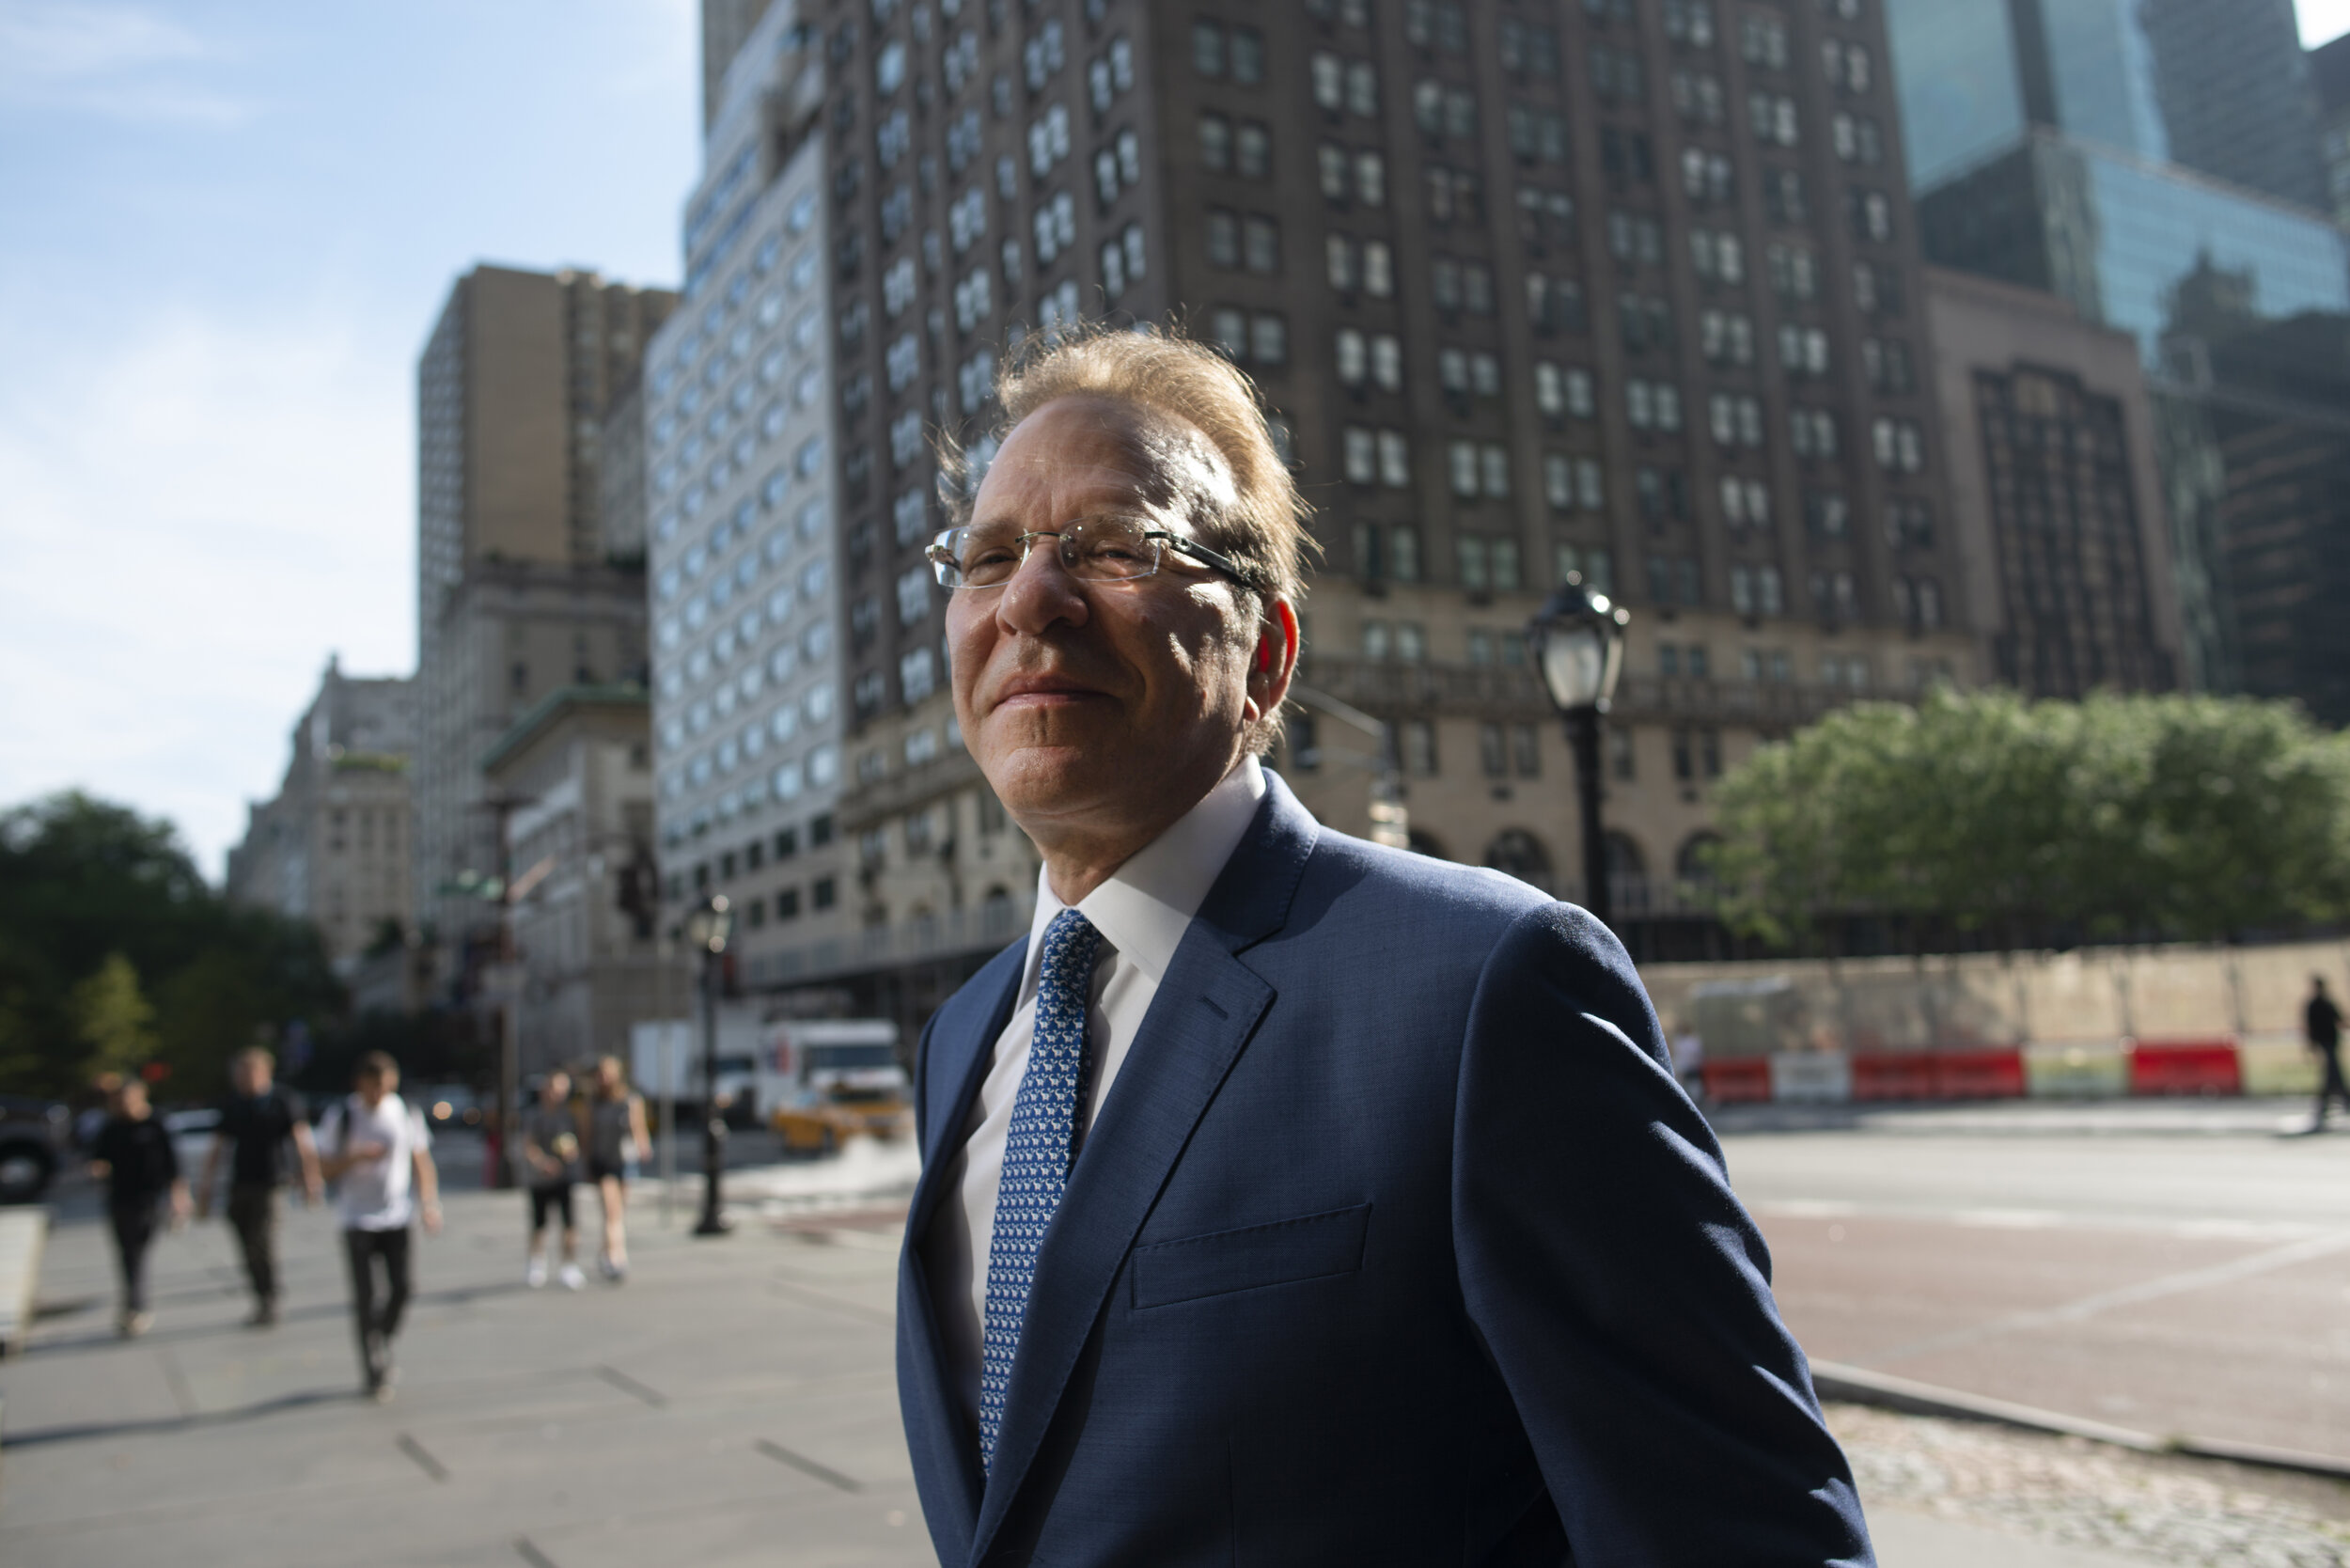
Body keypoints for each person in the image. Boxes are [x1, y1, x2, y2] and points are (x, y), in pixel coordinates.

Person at [892, 328, 1873, 1566]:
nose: (1031, 599)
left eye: (1116, 549)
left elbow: (1750, 1540)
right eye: (990, 557)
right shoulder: (961, 1043)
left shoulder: (1487, 991)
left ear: (1266, 656)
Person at [316, 1051, 439, 1399]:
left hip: (397, 1214)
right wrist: (355, 1157)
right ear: (361, 1084)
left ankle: (382, 1336)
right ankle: (373, 1368)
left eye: (386, 1088)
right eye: (374, 1088)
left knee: (402, 1288)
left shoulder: (404, 1112)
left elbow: (422, 1160)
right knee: (366, 1296)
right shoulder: (341, 1115)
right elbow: (324, 1169)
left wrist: (429, 1203)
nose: (379, 1096)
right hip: (355, 1217)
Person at [196, 1046, 322, 1325]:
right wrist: (206, 1185)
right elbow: (218, 1146)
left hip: (272, 1182)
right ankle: (261, 1292)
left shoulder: (282, 1100)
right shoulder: (233, 1104)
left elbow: (301, 1140)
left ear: (264, 1072)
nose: (242, 1079)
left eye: (247, 1072)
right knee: (245, 1240)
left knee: (262, 1240)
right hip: (241, 1182)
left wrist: (310, 1178)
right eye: (239, 1073)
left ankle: (269, 1297)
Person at [87, 1076, 189, 1338]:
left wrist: (179, 1199)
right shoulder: (111, 1127)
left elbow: (174, 1165)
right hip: (120, 1198)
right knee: (128, 1253)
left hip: (150, 1199)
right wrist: (97, 1170)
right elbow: (97, 1159)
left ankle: (135, 1306)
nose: (124, 1105)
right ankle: (134, 1306)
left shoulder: (157, 1124)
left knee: (137, 1251)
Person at [517, 1071, 585, 1290]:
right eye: (554, 1089)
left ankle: (569, 1265)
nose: (558, 1094)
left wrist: (573, 1153)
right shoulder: (534, 1115)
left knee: (569, 1224)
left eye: (562, 1090)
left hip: (565, 1176)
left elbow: (581, 1140)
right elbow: (528, 1145)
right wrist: (542, 1163)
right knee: (539, 1224)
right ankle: (536, 1263)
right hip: (540, 1178)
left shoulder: (570, 1114)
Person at [583, 1056, 650, 1281]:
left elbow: (639, 1128)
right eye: (600, 1074)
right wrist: (585, 1160)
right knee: (612, 1211)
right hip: (602, 1160)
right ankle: (616, 1256)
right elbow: (587, 1133)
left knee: (618, 1212)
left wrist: (643, 1146)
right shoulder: (593, 1102)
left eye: (607, 1073)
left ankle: (606, 1251)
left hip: (624, 1158)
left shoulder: (630, 1099)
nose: (603, 1078)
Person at [2310, 977, 2347, 1131]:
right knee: (2332, 1074)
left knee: (2334, 1073)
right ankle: (2327, 1103)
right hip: (2325, 1042)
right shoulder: (2316, 1004)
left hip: (2330, 1042)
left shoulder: (2325, 1003)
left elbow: (2340, 1019)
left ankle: (2330, 1102)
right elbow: (2310, 1024)